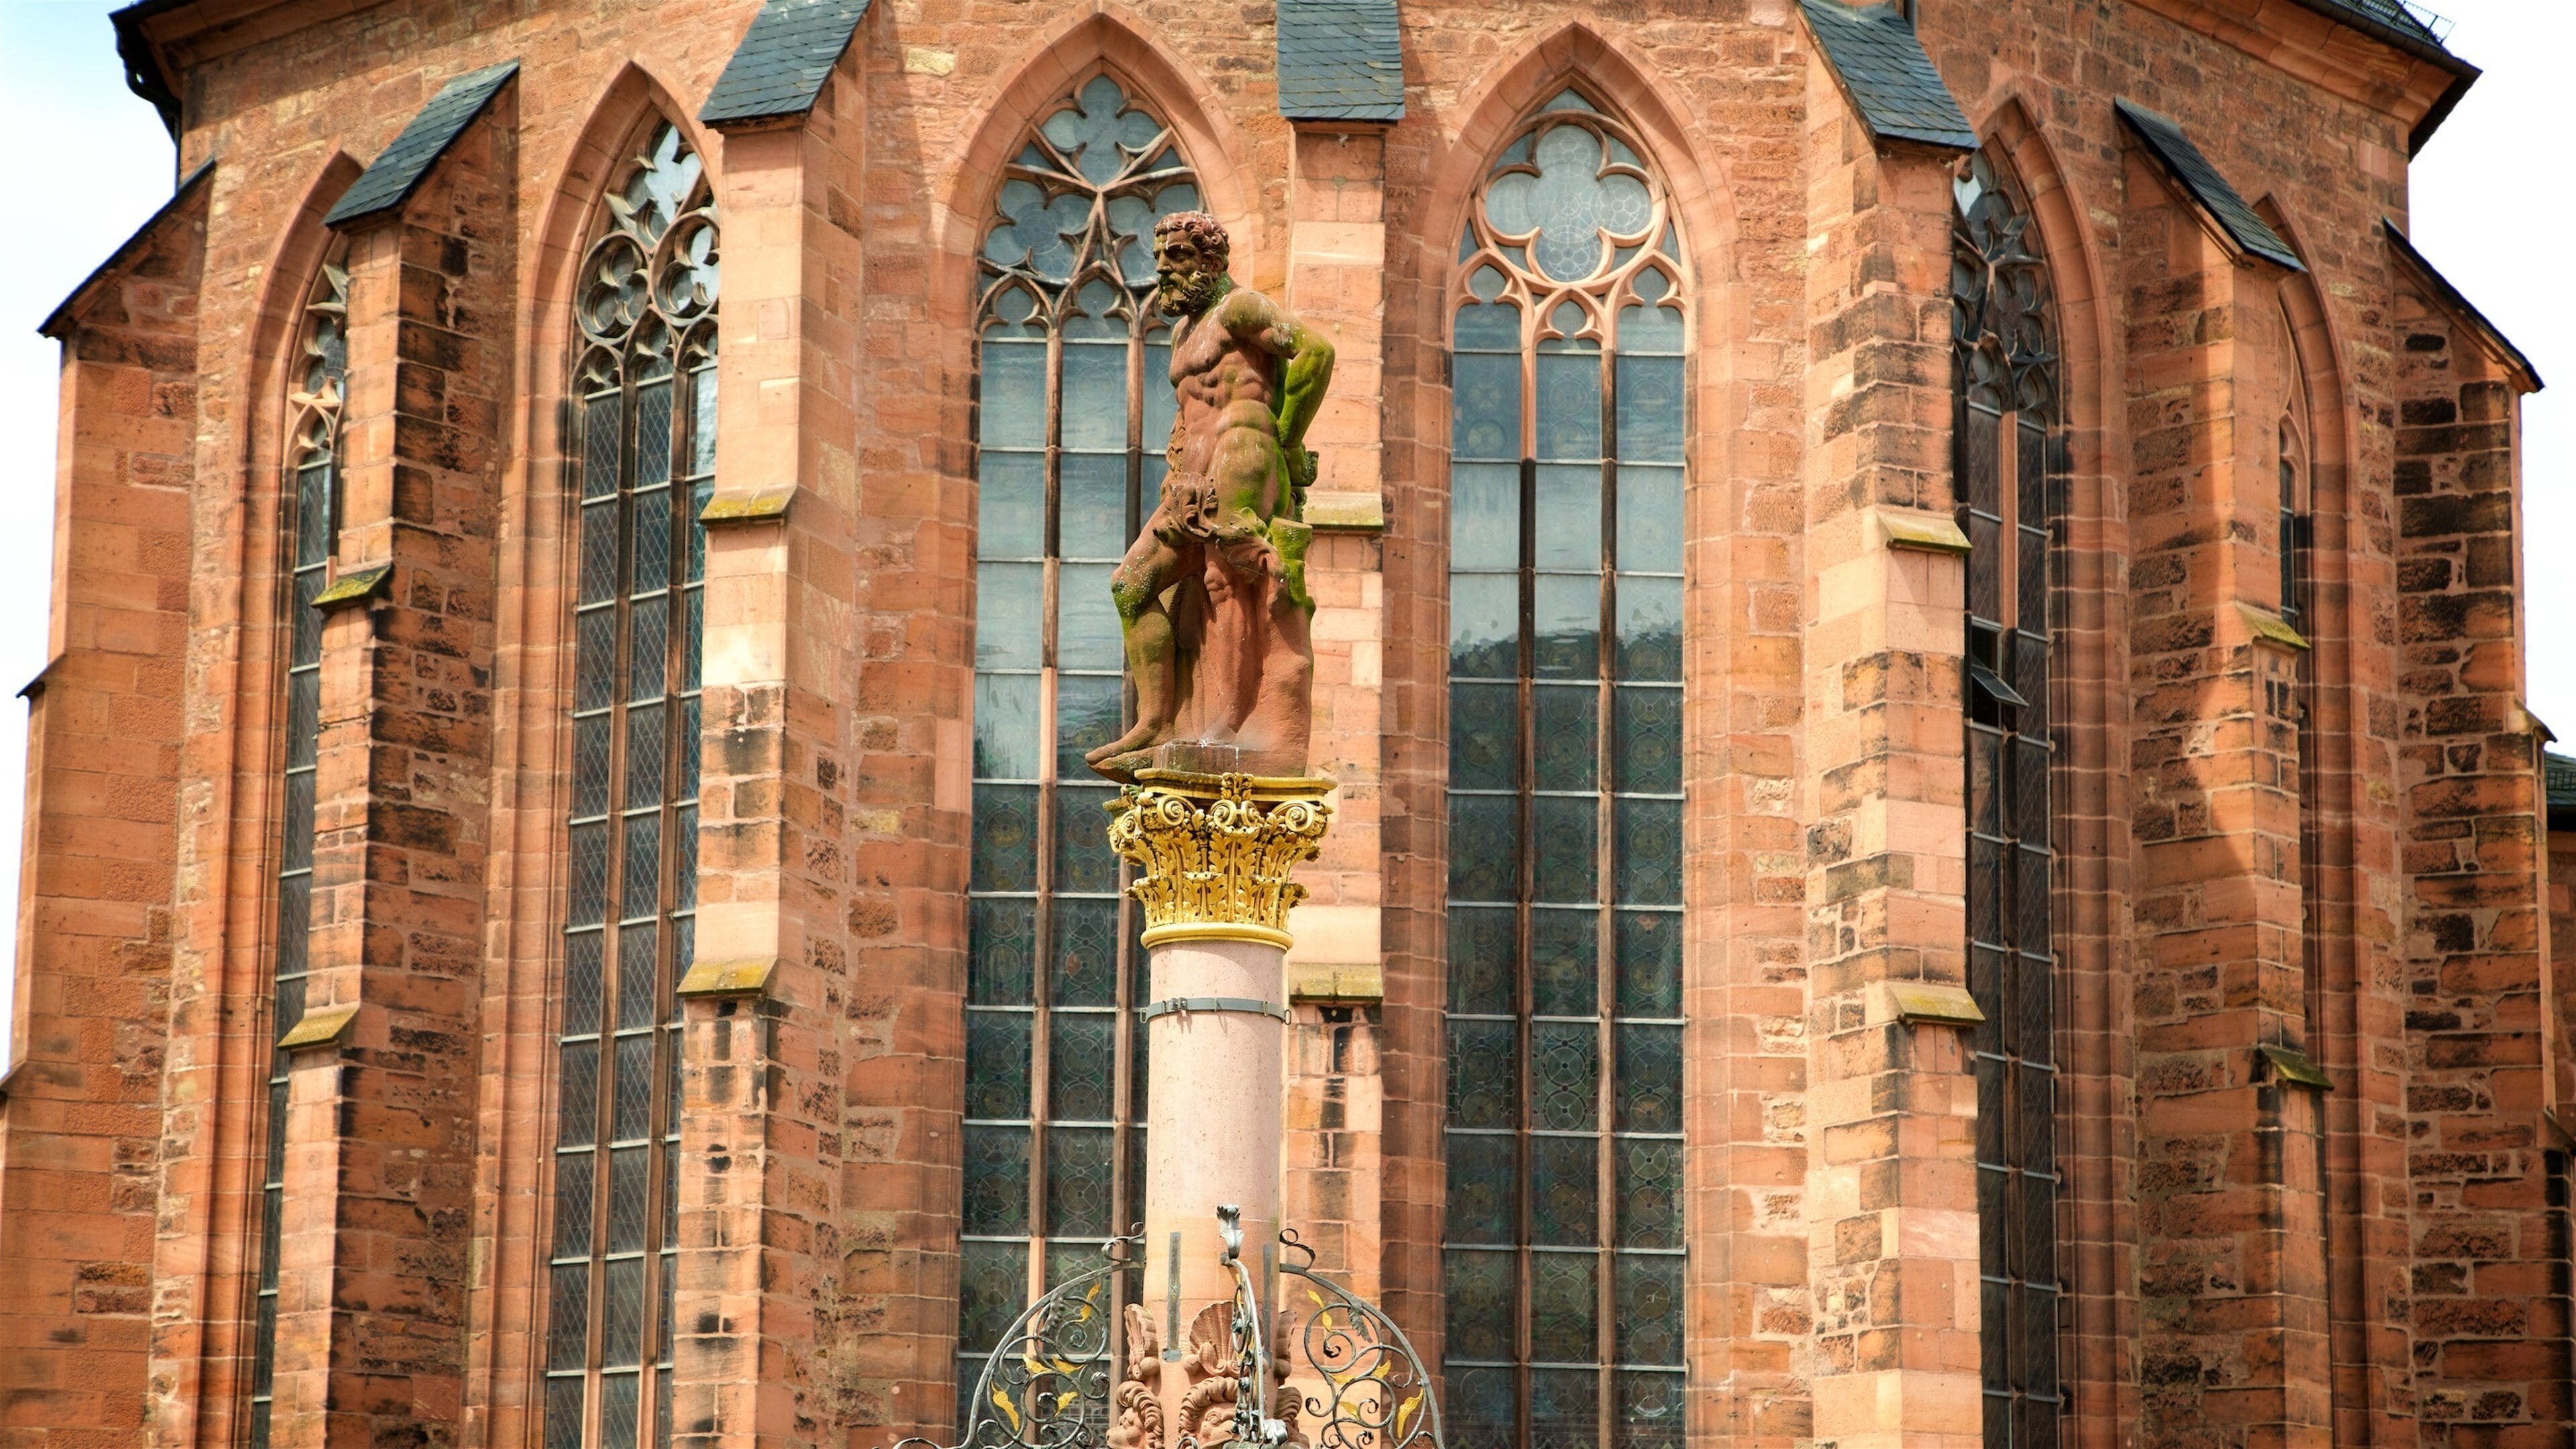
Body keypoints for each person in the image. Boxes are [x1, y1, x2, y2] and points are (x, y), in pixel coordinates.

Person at [1085, 211, 1335, 782]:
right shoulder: (1183, 330)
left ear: (1212, 261)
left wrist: (1287, 440)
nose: (1164, 269)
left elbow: (1316, 354)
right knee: (1131, 586)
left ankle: (1226, 724)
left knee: (1228, 585)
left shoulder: (1241, 308)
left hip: (1242, 453)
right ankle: (1157, 722)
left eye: (1177, 257)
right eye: (1161, 258)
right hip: (1190, 478)